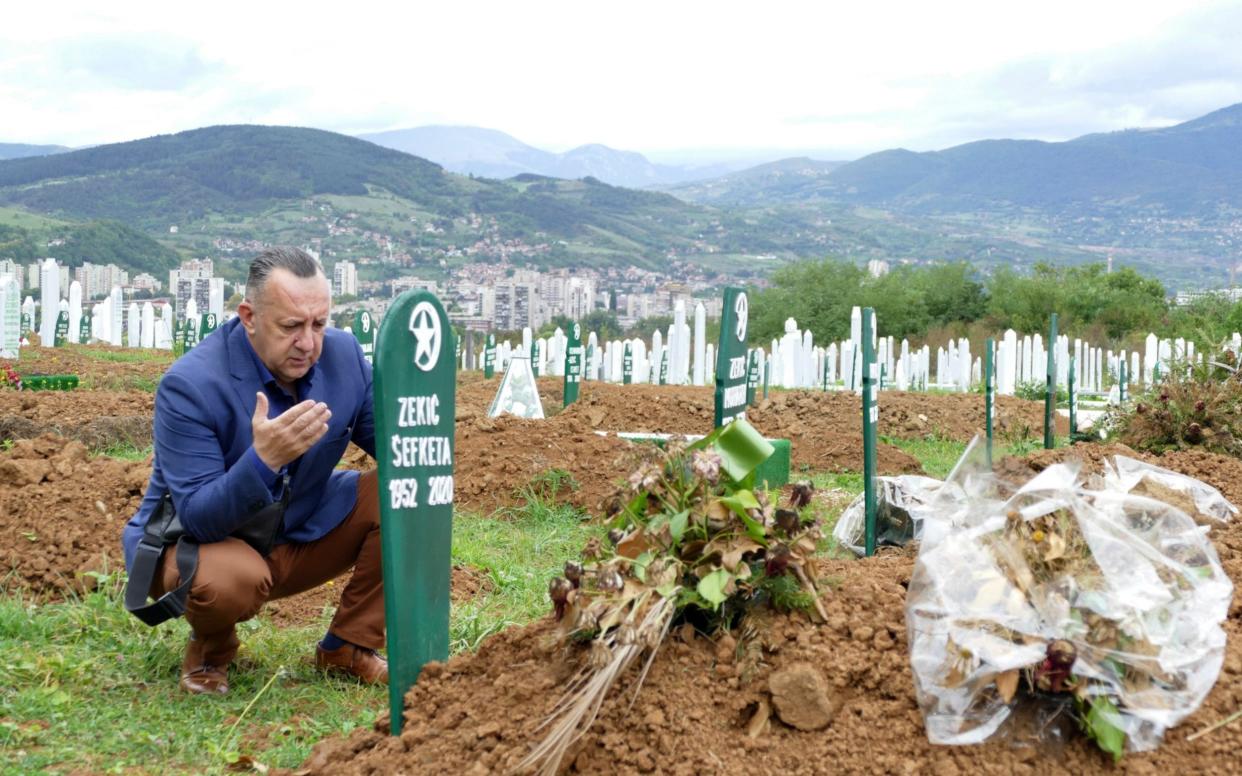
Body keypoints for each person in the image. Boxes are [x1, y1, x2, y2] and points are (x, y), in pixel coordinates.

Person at [122, 247, 384, 695]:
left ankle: (349, 646)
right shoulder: (191, 385)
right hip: (201, 545)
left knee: (407, 492)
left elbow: (397, 448)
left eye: (319, 324)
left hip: (299, 529)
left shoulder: (343, 358)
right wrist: (264, 460)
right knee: (226, 580)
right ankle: (211, 651)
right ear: (248, 316)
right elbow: (200, 516)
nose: (309, 343)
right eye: (291, 326)